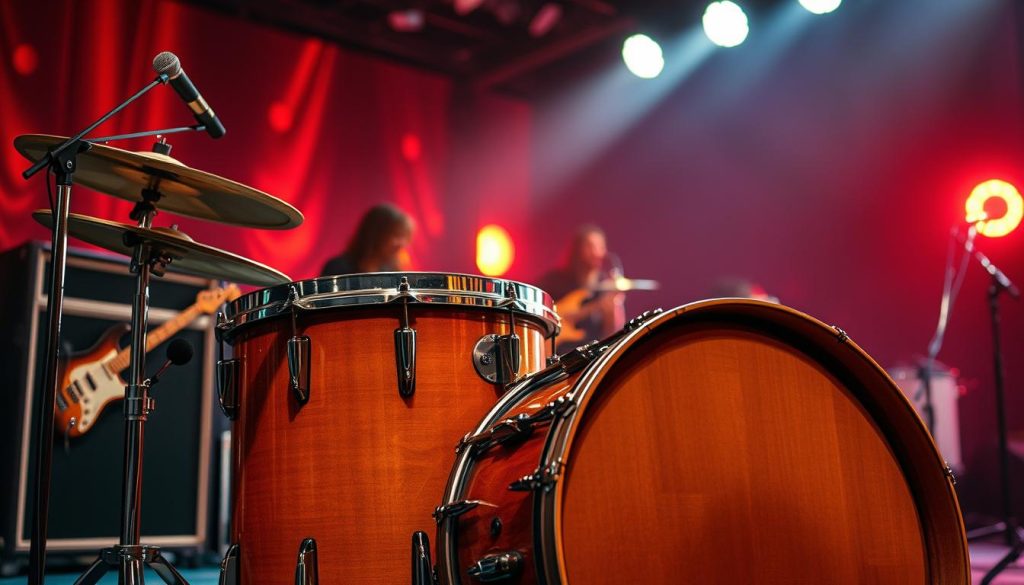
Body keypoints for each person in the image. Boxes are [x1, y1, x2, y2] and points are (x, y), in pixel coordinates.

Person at [537, 224, 625, 352]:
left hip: (591, 358)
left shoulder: (605, 288)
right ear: (578, 249)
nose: (597, 252)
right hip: (558, 353)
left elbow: (613, 333)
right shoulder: (556, 281)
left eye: (600, 247)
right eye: (590, 246)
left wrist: (616, 305)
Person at [320, 203, 414, 276]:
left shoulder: (395, 272)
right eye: (396, 235)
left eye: (405, 237)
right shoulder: (337, 268)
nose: (403, 243)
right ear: (375, 234)